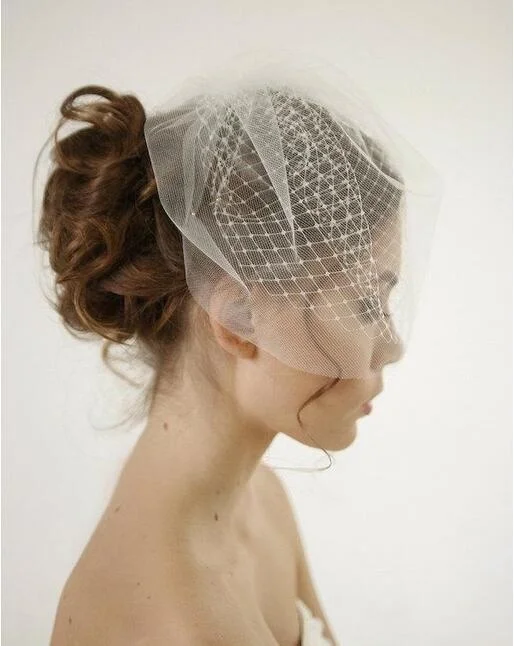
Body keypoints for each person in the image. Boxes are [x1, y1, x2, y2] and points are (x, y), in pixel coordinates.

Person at [36, 72, 415, 646]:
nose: (393, 346)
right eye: (365, 305)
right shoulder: (172, 628)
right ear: (240, 319)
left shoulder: (259, 500)